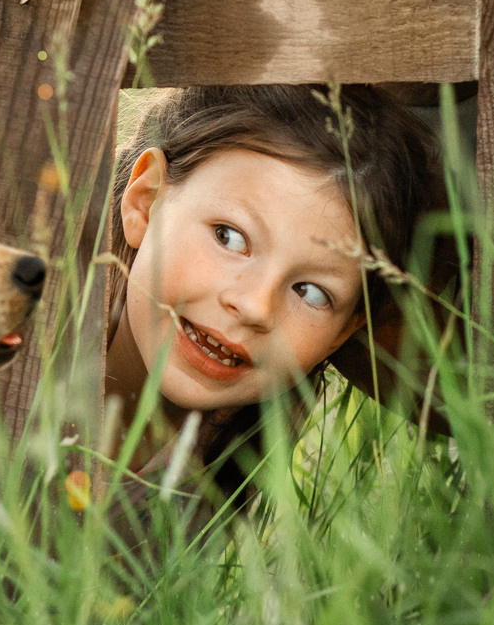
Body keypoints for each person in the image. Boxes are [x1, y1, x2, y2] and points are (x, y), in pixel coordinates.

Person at [103, 85, 443, 493]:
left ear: (342, 333)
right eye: (229, 237)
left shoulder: (246, 438)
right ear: (146, 202)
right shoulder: (20, 355)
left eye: (311, 292)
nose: (256, 306)